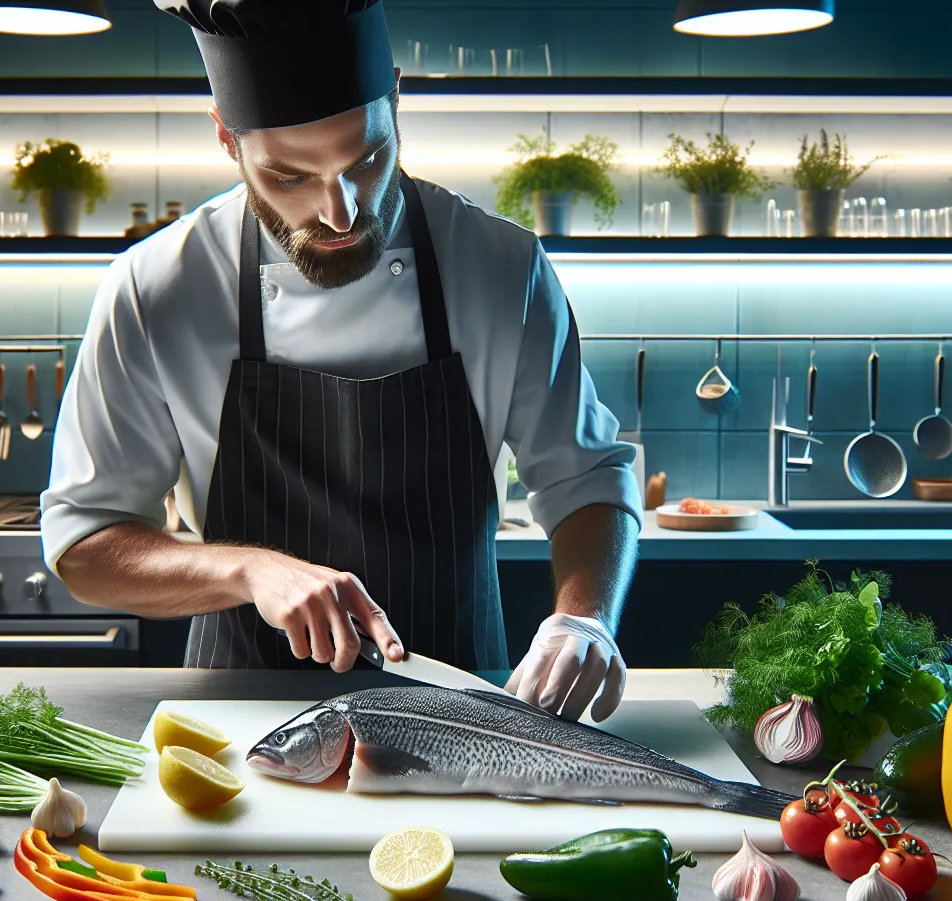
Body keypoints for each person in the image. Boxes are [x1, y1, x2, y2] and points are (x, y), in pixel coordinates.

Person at [41, 0, 638, 722]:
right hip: (239, 720)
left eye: (367, 160)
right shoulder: (157, 288)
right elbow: (84, 544)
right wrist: (248, 569)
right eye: (290, 177)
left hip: (462, 709)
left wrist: (584, 618)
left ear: (395, 96)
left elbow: (588, 478)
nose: (342, 212)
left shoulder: (500, 267)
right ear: (228, 140)